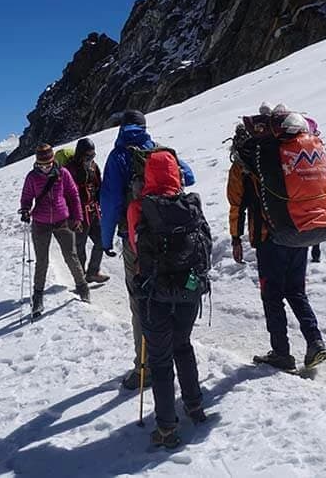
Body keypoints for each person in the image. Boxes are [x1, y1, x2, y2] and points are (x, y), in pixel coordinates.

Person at [229, 103, 326, 371]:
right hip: (299, 230)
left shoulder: (247, 162)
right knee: (297, 291)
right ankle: (315, 342)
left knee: (272, 296)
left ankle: (281, 353)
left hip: (269, 238)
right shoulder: (289, 153)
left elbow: (236, 204)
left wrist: (236, 238)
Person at [100, 109, 196, 390]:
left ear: (121, 127)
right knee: (170, 295)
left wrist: (105, 240)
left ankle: (146, 368)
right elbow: (188, 176)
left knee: (141, 304)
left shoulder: (118, 156)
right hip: (170, 236)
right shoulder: (158, 150)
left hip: (136, 240)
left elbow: (110, 202)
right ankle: (176, 358)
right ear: (143, 127)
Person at [129, 148, 210, 448]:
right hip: (189, 293)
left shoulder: (140, 208)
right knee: (183, 346)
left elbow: (137, 250)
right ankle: (194, 405)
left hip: (154, 297)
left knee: (161, 362)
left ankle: (166, 427)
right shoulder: (191, 206)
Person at [19, 143, 90, 317]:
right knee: (42, 261)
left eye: (48, 164)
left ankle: (83, 288)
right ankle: (38, 298)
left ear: (53, 160)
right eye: (42, 165)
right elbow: (26, 197)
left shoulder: (63, 174)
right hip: (40, 222)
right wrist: (26, 209)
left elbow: (73, 196)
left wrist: (77, 218)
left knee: (71, 256)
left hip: (62, 220)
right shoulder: (31, 177)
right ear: (37, 162)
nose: (45, 167)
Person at [64, 138, 110, 284]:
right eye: (88, 155)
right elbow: (67, 193)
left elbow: (99, 186)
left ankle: (93, 272)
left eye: (92, 155)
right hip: (78, 214)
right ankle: (80, 277)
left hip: (94, 211)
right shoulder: (70, 169)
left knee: (102, 241)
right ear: (80, 154)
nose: (90, 158)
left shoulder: (93, 167)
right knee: (79, 247)